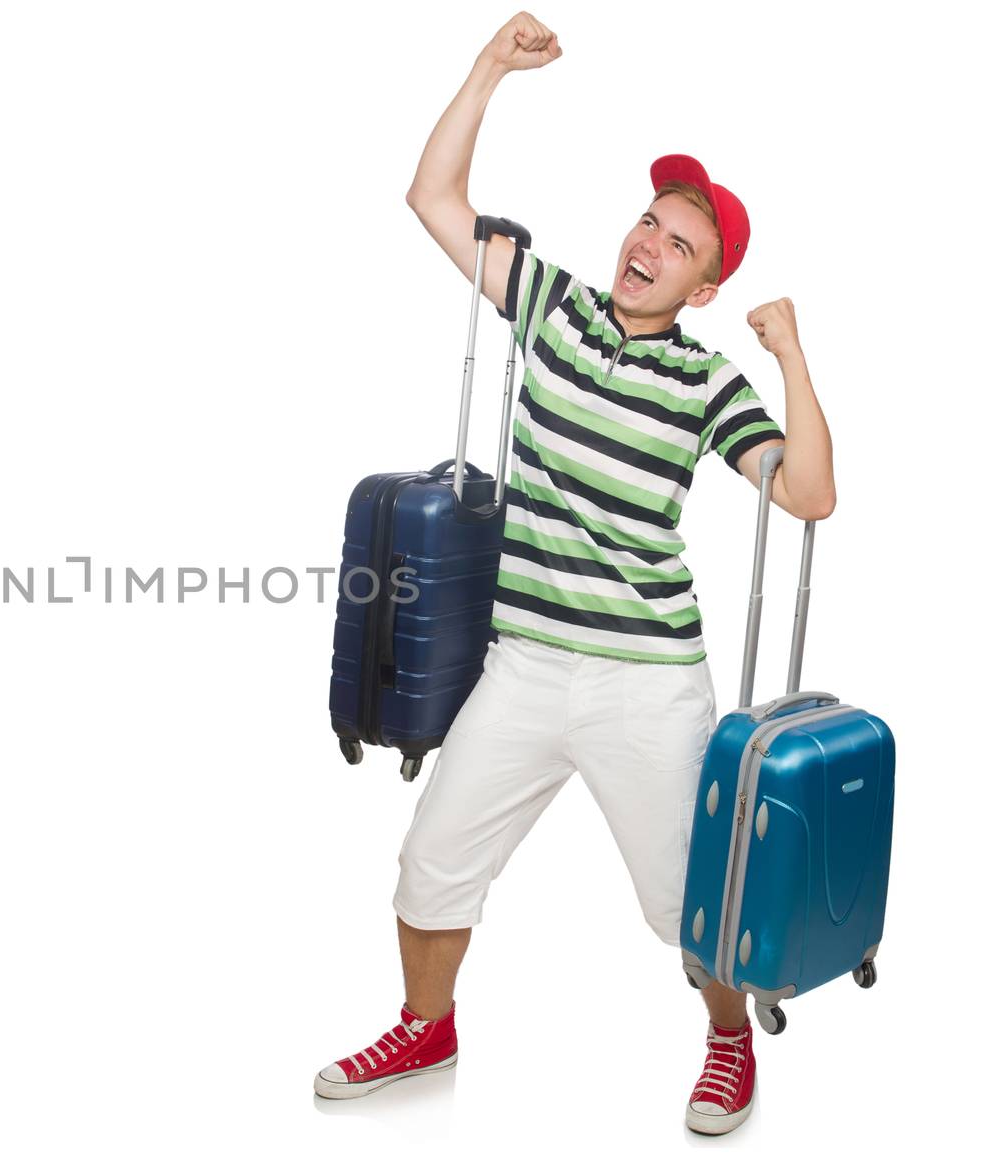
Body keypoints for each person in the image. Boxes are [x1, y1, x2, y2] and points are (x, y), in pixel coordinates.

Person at [311, 13, 835, 1137]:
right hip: (524, 662)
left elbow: (807, 496)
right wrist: (489, 68)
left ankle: (728, 1039)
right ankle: (427, 1025)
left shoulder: (708, 383)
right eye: (648, 220)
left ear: (701, 288)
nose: (649, 240)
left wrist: (789, 354)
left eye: (679, 242)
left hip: (647, 681)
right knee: (431, 860)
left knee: (682, 906)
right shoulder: (551, 308)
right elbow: (433, 200)